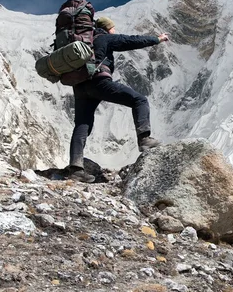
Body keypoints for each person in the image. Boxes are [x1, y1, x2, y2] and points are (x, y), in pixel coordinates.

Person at [67, 17, 169, 183]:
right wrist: (157, 39)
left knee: (82, 125)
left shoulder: (84, 42)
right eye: (112, 27)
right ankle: (144, 139)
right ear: (107, 28)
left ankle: (76, 169)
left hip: (80, 87)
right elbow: (130, 41)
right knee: (139, 100)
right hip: (99, 82)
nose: (114, 30)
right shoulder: (104, 37)